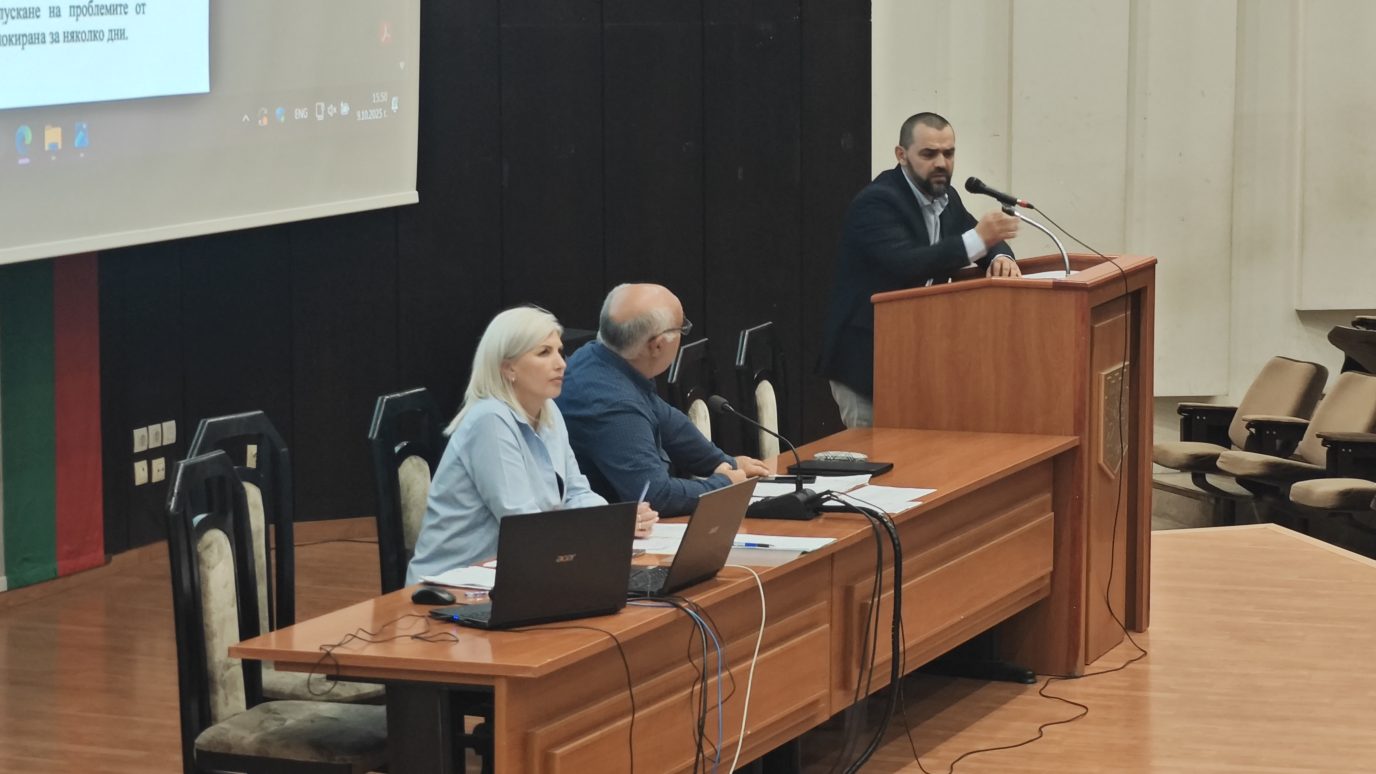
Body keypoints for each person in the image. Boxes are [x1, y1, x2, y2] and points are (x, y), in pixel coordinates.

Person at [406, 306, 657, 584]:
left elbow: (576, 493)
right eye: (544, 353)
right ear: (508, 367)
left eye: (559, 351)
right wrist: (606, 529)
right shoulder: (490, 420)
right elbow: (522, 524)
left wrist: (617, 520)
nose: (561, 364)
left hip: (520, 572)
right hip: (453, 584)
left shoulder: (549, 411)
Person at [819, 111, 1021, 428]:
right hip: (867, 361)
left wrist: (1000, 257)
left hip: (916, 358)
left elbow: (977, 236)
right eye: (929, 154)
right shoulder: (877, 202)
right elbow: (908, 263)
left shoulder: (946, 197)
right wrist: (980, 239)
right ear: (901, 155)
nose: (941, 163)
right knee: (873, 455)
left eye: (948, 153)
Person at [557, 283, 772, 517]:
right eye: (682, 327)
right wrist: (724, 485)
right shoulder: (611, 404)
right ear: (658, 345)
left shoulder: (599, 357)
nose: (683, 334)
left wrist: (726, 462)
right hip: (614, 531)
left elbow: (669, 422)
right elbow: (656, 496)